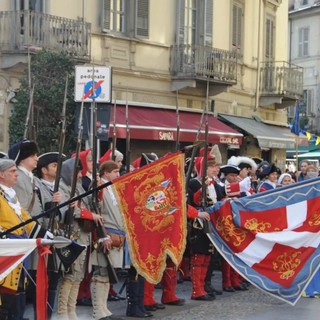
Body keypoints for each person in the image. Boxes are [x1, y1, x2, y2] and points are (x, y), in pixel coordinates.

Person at [8, 140, 59, 319]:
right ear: (23, 159)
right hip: (22, 234)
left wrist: (52, 204)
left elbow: (38, 205)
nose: (37, 159)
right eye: (33, 156)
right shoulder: (19, 177)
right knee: (19, 281)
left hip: (33, 232)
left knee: (28, 281)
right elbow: (19, 208)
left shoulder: (32, 178)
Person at [0, 158, 52, 319]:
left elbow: (26, 219)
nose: (16, 174)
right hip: (7, 249)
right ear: (1, 174)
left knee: (18, 291)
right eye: (12, 171)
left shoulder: (11, 195)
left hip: (20, 248)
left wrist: (45, 236)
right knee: (4, 296)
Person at [57, 157, 104, 320]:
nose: (79, 174)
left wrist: (95, 187)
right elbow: (68, 208)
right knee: (69, 275)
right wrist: (88, 214)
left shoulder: (78, 187)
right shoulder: (62, 187)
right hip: (71, 235)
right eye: (77, 170)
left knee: (78, 276)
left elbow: (89, 203)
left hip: (83, 235)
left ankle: (72, 310)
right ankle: (63, 312)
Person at [89, 160, 124, 320]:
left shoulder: (112, 187)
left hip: (116, 232)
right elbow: (96, 210)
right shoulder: (99, 187)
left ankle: (104, 309)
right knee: (100, 273)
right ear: (106, 172)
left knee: (108, 274)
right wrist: (102, 234)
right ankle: (98, 310)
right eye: (115, 171)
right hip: (106, 232)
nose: (118, 174)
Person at [36, 151, 65, 319]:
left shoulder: (59, 187)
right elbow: (38, 211)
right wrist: (51, 204)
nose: (57, 168)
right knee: (41, 280)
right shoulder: (38, 185)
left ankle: (48, 314)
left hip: (56, 235)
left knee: (54, 279)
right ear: (44, 170)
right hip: (44, 235)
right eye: (54, 165)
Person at [219, 164, 249, 292]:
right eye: (231, 175)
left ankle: (235, 280)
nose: (234, 178)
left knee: (238, 252)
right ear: (226, 176)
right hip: (225, 222)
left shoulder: (237, 186)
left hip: (236, 221)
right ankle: (227, 282)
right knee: (228, 254)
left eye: (235, 175)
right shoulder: (221, 186)